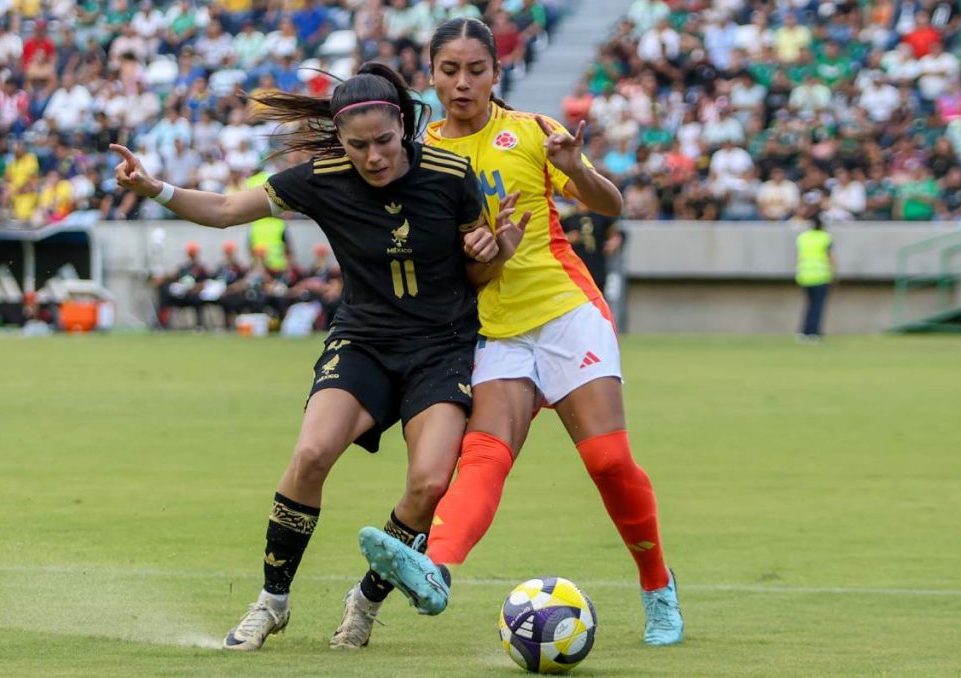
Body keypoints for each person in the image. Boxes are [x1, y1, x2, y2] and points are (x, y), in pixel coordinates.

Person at [109, 61, 527, 651]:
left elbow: (477, 274)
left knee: (430, 483)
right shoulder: (322, 176)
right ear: (341, 141)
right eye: (358, 146)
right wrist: (155, 189)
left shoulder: (451, 175)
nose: (374, 156)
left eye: (384, 142)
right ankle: (271, 602)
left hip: (441, 348)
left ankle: (365, 602)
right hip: (363, 341)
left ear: (404, 127)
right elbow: (229, 209)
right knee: (310, 454)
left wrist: (497, 249)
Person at [347, 17, 684, 650]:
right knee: (484, 458)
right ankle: (436, 571)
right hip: (495, 331)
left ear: (497, 74)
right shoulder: (422, 160)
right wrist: (471, 249)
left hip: (564, 312)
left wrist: (576, 168)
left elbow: (609, 204)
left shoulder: (531, 132)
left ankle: (657, 584)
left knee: (608, 460)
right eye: (450, 71)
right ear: (432, 75)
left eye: (477, 70)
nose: (463, 83)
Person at [796, 215, 835, 341]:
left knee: (809, 305)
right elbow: (830, 257)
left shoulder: (803, 237)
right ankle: (813, 331)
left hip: (805, 275)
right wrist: (833, 273)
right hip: (821, 276)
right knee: (817, 306)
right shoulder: (825, 237)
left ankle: (804, 331)